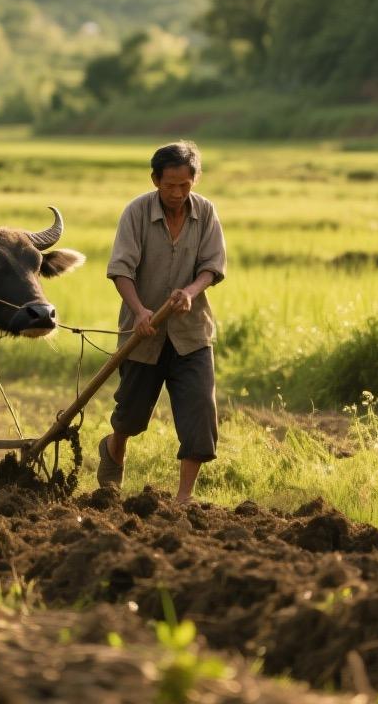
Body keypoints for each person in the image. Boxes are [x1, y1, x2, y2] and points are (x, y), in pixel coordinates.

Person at [98, 140, 226, 503]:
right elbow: (121, 269)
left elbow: (212, 267)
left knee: (200, 413)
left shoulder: (206, 213)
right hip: (144, 333)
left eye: (185, 185)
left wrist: (191, 291)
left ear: (194, 180)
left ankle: (183, 498)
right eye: (169, 185)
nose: (177, 193)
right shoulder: (136, 213)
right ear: (155, 180)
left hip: (192, 334)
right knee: (131, 415)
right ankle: (113, 448)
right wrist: (140, 311)